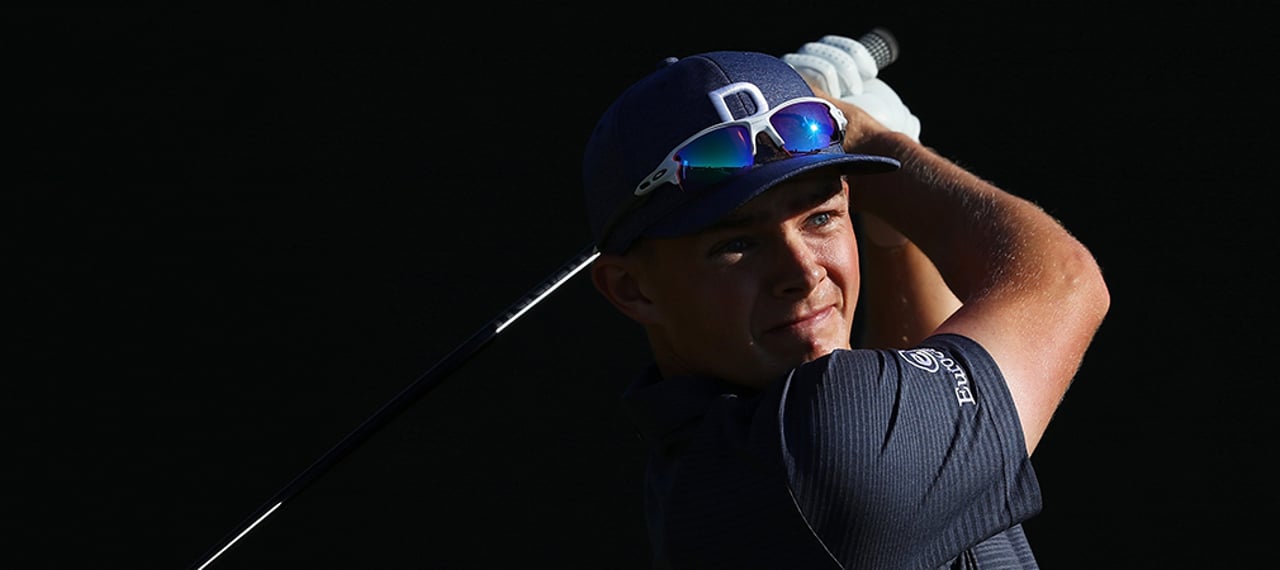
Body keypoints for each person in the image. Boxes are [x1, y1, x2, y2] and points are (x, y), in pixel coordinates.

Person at [580, 32, 1109, 570]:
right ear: (632, 288)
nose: (804, 273)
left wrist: (890, 231)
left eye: (821, 217)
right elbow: (1062, 280)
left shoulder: (704, 452)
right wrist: (873, 139)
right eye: (736, 244)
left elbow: (908, 382)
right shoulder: (819, 449)